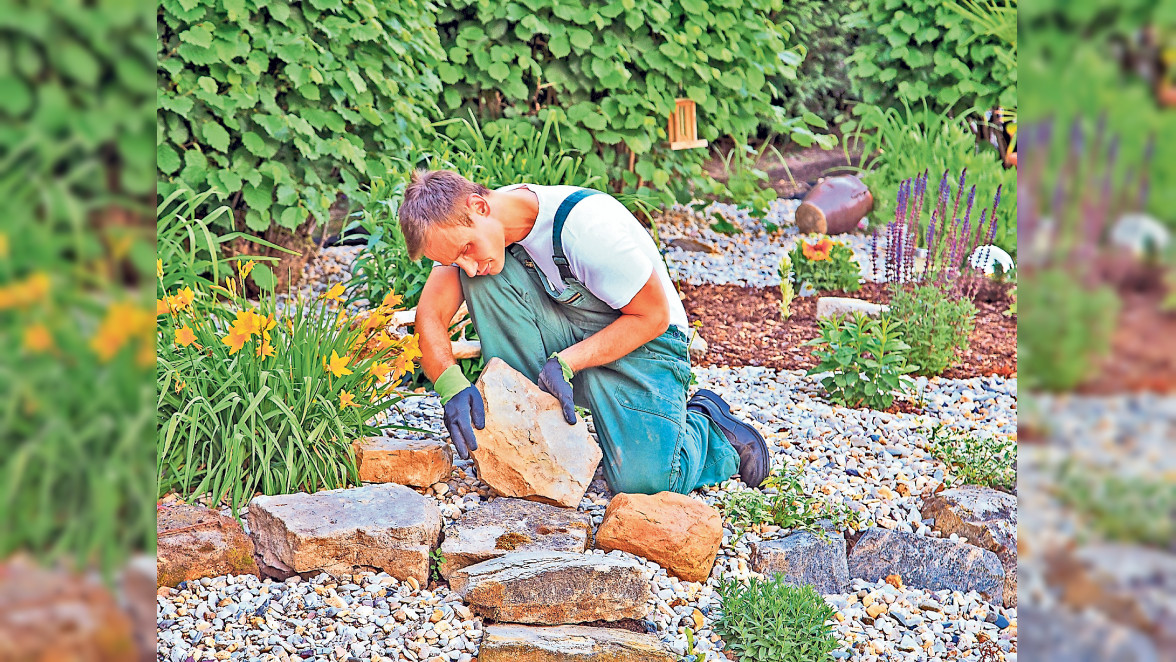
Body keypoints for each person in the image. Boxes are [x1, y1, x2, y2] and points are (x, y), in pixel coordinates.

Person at [397, 170, 769, 495]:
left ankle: (710, 429)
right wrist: (450, 386)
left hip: (646, 345)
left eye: (466, 249)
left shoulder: (586, 229)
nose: (467, 266)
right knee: (483, 279)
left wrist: (568, 362)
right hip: (570, 344)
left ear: (479, 206)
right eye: (453, 260)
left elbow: (653, 317)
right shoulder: (474, 233)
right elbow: (430, 314)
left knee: (645, 483)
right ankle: (535, 434)